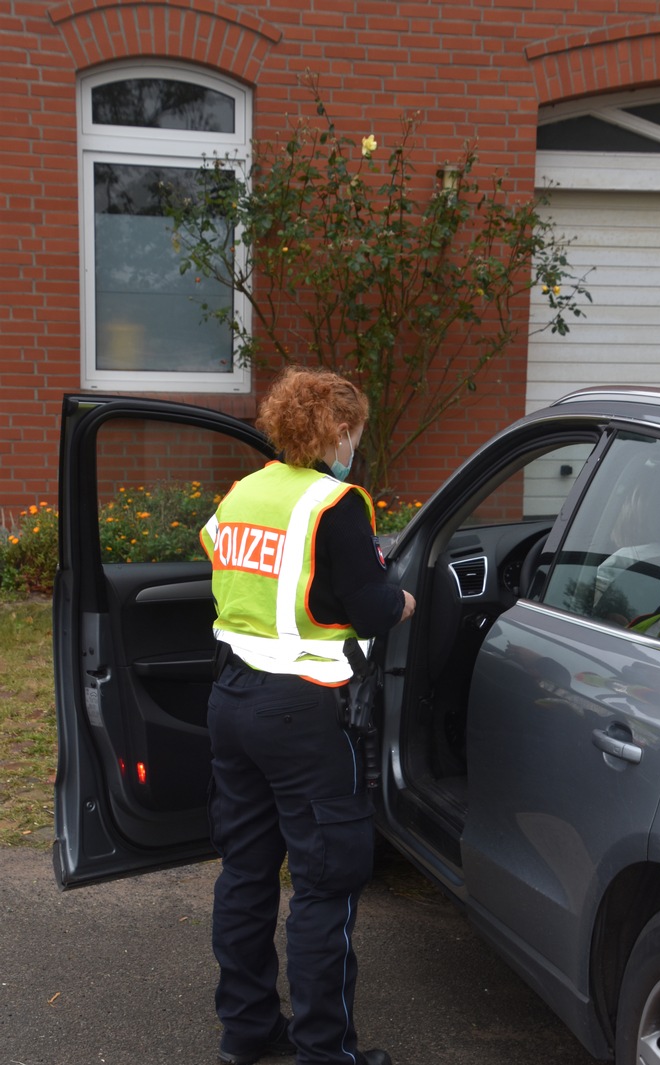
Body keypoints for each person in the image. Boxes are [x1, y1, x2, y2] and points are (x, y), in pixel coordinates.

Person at [200, 366, 416, 1065]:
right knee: (325, 884)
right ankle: (326, 1052)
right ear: (338, 430)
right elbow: (372, 604)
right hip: (303, 714)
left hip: (232, 701)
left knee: (247, 872)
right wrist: (402, 602)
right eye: (355, 430)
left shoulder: (241, 494)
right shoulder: (334, 504)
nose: (358, 442)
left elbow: (225, 565)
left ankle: (248, 1031)